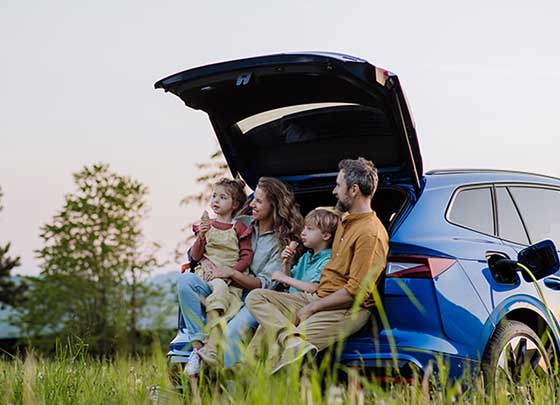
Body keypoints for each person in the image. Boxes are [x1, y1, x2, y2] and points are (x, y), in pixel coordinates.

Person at [246, 157, 389, 374]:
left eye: (338, 185)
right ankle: (289, 339)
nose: (334, 191)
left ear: (354, 190)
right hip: (319, 297)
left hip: (345, 309)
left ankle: (289, 351)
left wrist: (312, 308)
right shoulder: (346, 222)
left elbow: (355, 292)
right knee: (256, 297)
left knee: (285, 356)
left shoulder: (370, 233)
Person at [177, 177, 303, 375]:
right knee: (186, 281)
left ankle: (228, 386)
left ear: (274, 206)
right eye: (253, 199)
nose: (251, 204)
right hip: (222, 287)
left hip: (254, 299)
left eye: (259, 201)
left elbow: (265, 285)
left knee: (232, 332)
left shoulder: (280, 243)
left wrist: (231, 273)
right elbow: (204, 251)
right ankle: (198, 348)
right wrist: (206, 262)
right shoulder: (241, 222)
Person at [247, 207, 341, 362]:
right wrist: (286, 263)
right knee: (264, 329)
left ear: (325, 235)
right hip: (290, 302)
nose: (303, 232)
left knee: (257, 300)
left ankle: (288, 342)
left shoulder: (328, 259)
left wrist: (284, 278)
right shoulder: (306, 257)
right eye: (304, 227)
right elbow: (290, 280)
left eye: (310, 229)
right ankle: (246, 369)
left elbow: (314, 288)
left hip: (304, 305)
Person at [183, 178, 252, 374]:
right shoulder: (206, 226)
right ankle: (206, 344)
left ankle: (211, 343)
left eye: (223, 197)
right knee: (215, 287)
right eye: (214, 196)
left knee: (222, 288)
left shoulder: (238, 227)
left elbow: (246, 256)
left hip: (229, 277)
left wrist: (232, 272)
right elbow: (196, 256)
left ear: (235, 204)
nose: (216, 201)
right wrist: (201, 237)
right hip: (208, 275)